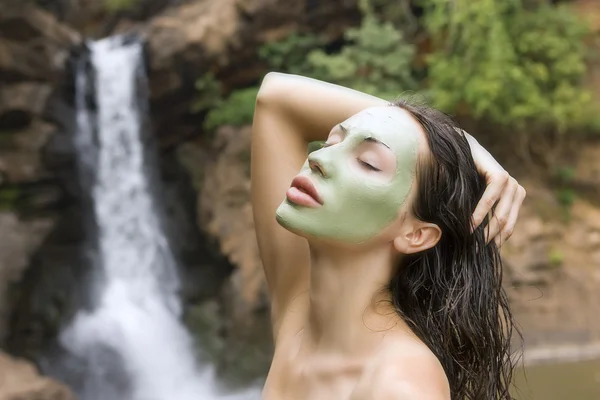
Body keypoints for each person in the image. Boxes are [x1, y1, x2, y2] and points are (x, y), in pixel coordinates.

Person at [251, 72, 525, 400]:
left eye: (368, 162)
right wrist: (464, 141)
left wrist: (457, 147)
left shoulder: (400, 387)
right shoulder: (300, 316)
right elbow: (275, 98)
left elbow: (277, 99)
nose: (318, 158)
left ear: (417, 234)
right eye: (331, 142)